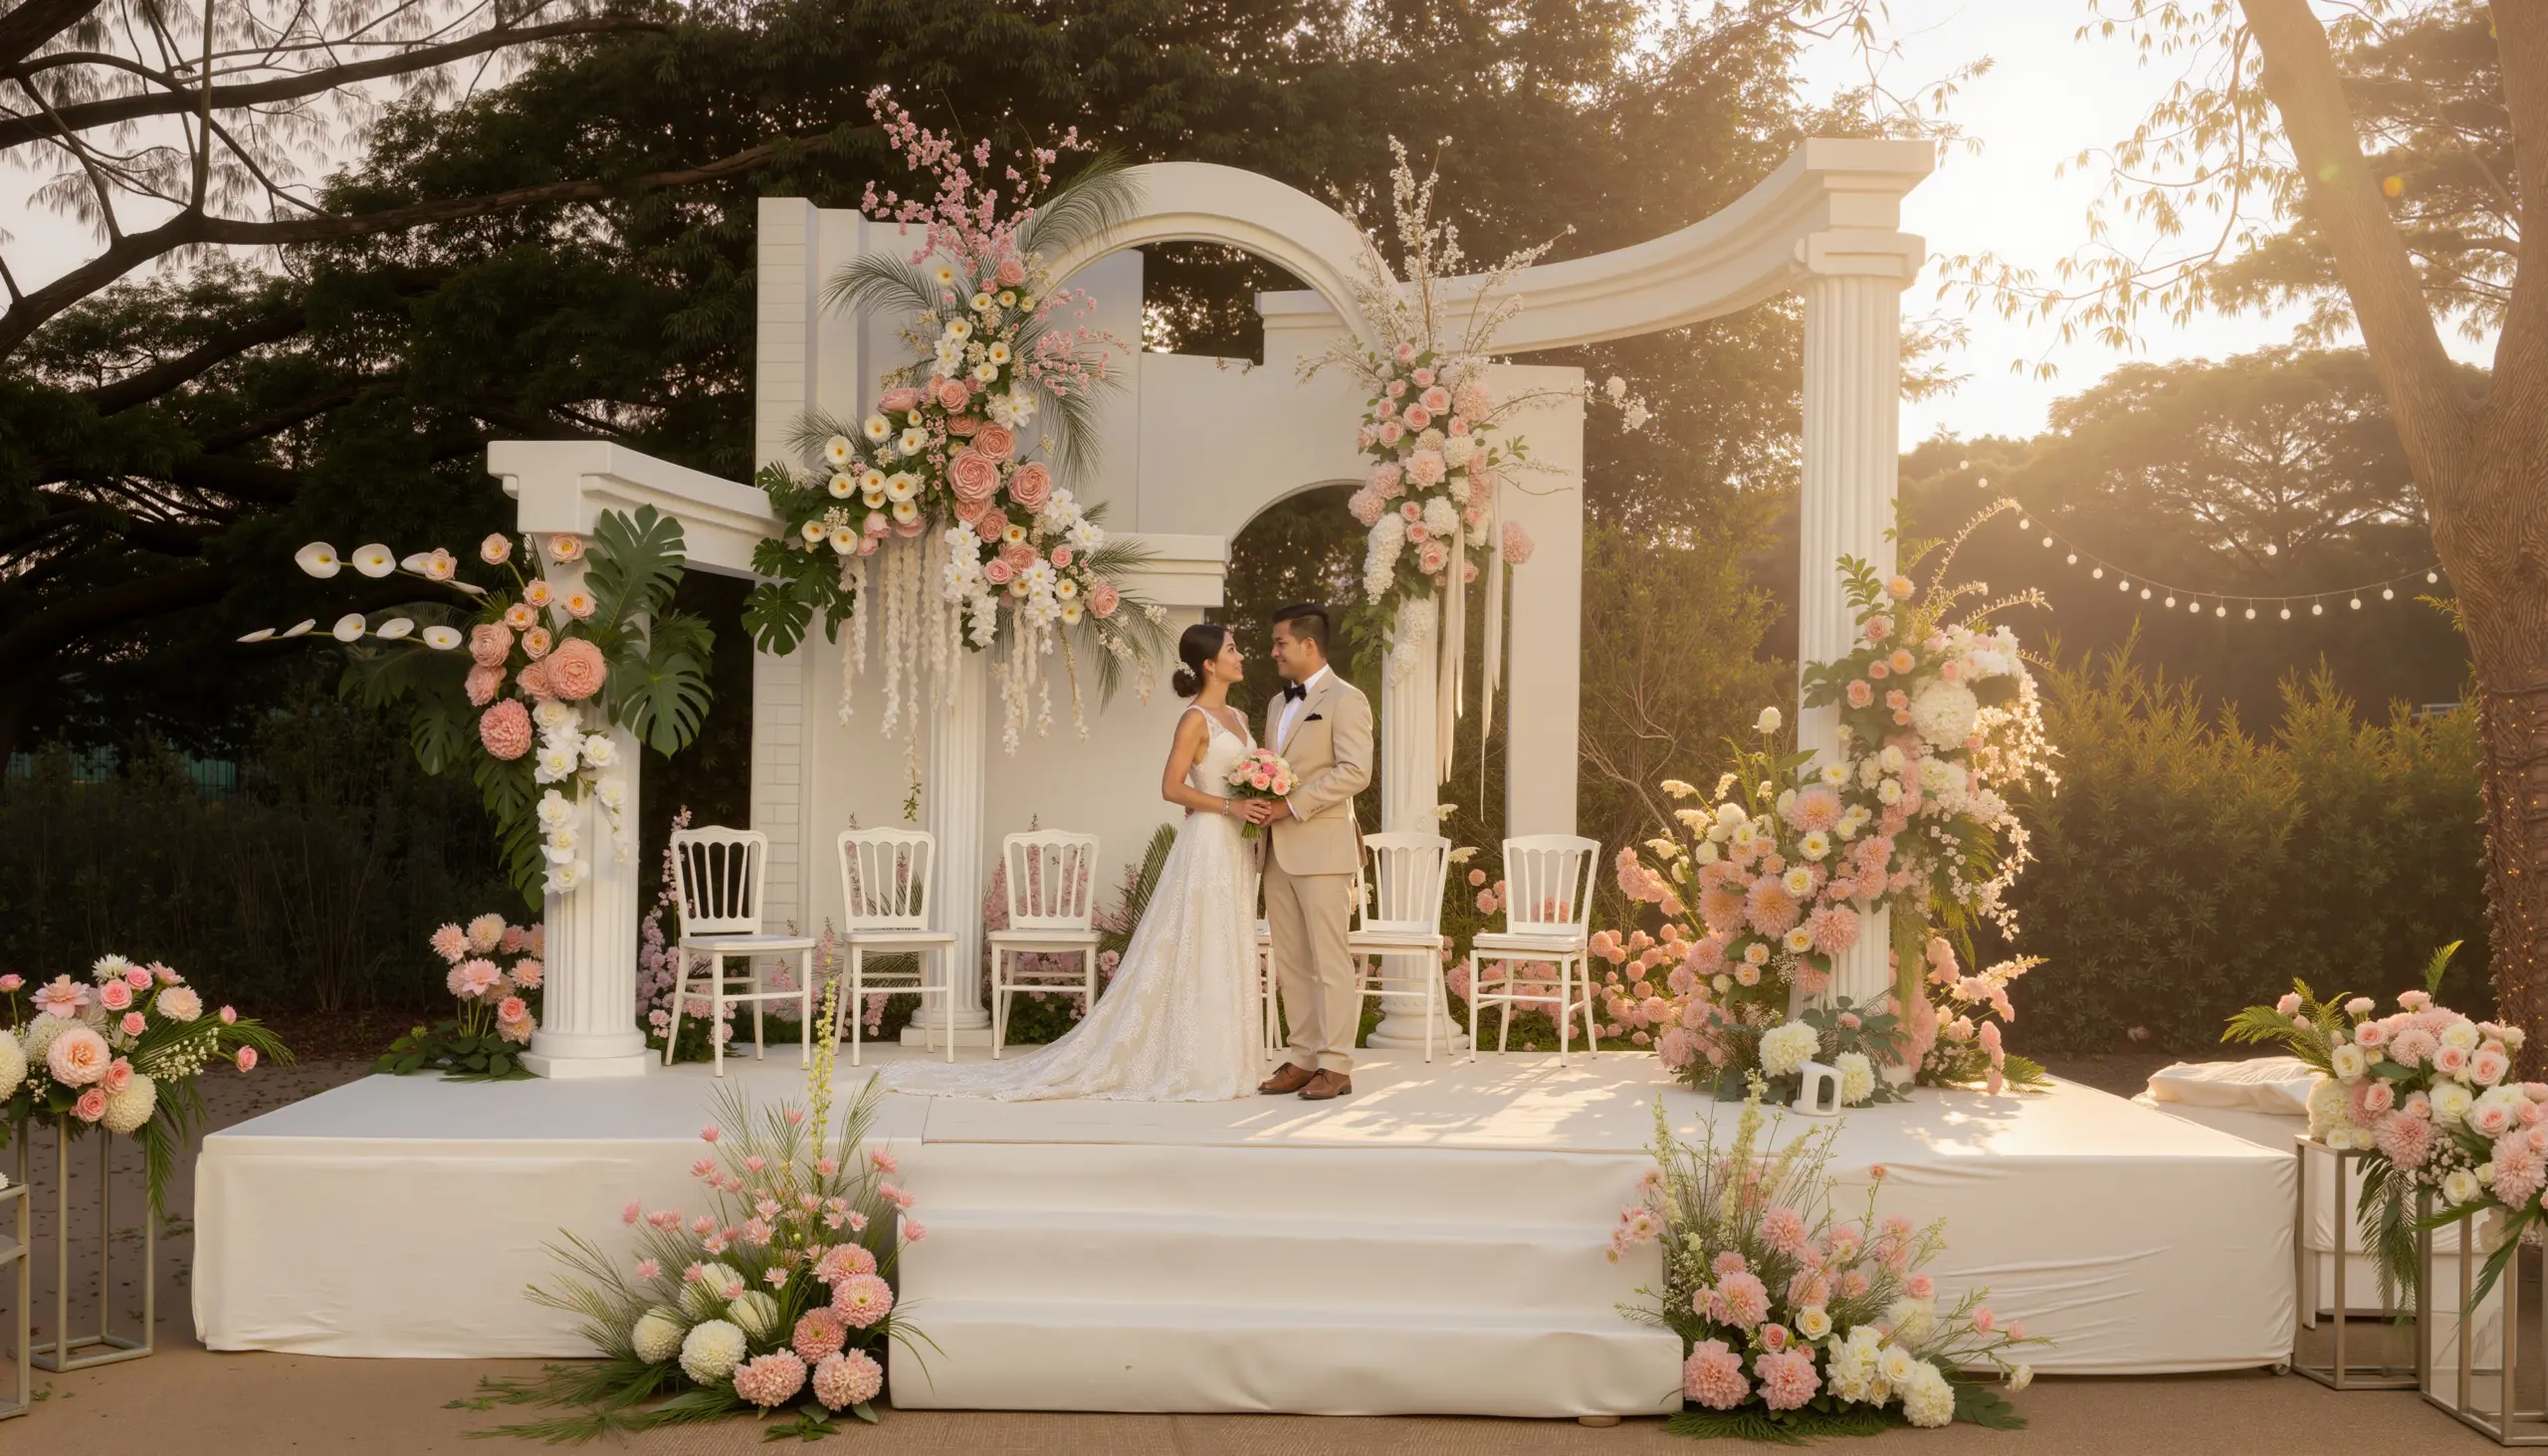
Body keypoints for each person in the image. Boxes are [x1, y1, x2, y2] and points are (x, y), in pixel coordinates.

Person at [876, 622, 1261, 1102]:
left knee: (1224, 939)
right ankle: (1192, 1061)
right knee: (1199, 939)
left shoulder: (1241, 718)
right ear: (1209, 664)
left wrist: (1257, 794)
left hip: (1235, 845)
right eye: (1231, 649)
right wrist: (1230, 806)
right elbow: (1172, 787)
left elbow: (1240, 777)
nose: (1240, 655)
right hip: (1207, 841)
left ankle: (1225, 1056)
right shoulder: (1194, 719)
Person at [1249, 603, 1375, 1101]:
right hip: (1276, 852)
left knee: (1330, 960)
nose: (1273, 651)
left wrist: (1291, 806)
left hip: (1322, 849)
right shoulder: (1279, 706)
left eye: (1280, 643)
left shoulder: (1347, 699)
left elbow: (1355, 772)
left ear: (1308, 645)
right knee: (1292, 960)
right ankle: (1303, 1057)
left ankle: (1337, 1065)